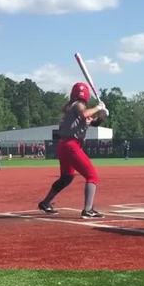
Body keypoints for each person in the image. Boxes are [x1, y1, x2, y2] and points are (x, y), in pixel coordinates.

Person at [38, 82, 108, 219]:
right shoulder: (78, 105)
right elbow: (85, 114)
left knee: (66, 177)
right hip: (71, 146)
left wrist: (102, 115)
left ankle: (46, 203)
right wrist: (98, 107)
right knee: (92, 176)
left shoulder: (72, 108)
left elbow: (93, 122)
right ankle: (88, 210)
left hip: (64, 146)